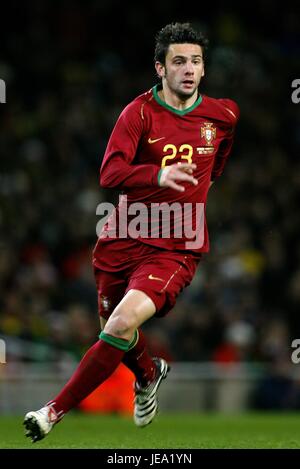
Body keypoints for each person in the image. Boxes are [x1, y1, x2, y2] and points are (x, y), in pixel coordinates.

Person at [24, 22, 239, 442]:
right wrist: (159, 174)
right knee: (114, 329)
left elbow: (222, 153)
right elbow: (110, 171)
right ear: (160, 68)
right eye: (179, 61)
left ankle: (52, 412)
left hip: (176, 246)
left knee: (120, 323)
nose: (189, 69)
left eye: (196, 61)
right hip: (121, 239)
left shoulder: (223, 114)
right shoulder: (138, 113)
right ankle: (149, 371)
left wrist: (207, 184)